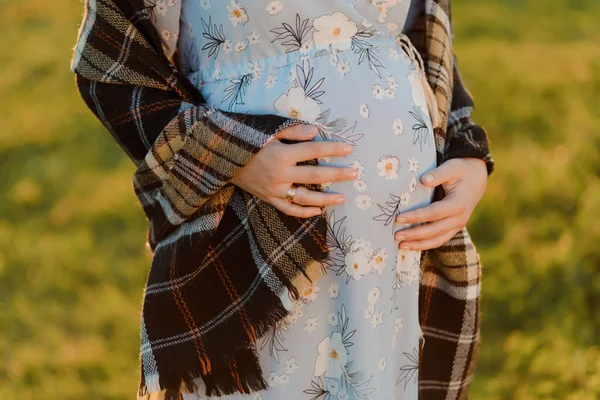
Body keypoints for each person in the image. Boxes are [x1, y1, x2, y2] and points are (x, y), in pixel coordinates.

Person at [71, 0, 493, 399]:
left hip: (397, 245)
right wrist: (231, 155)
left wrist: (467, 149)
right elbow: (108, 64)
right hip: (258, 232)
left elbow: (427, 39)